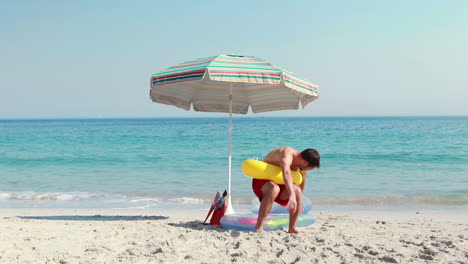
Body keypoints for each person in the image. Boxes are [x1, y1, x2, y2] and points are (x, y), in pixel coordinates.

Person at [252, 147, 320, 233]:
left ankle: (292, 228)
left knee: (297, 191)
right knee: (274, 189)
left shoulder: (301, 167)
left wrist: (298, 199)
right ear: (305, 162)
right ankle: (259, 227)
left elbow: (302, 180)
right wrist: (291, 195)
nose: (306, 170)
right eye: (309, 168)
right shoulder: (287, 154)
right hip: (262, 181)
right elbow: (286, 172)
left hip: (281, 184)